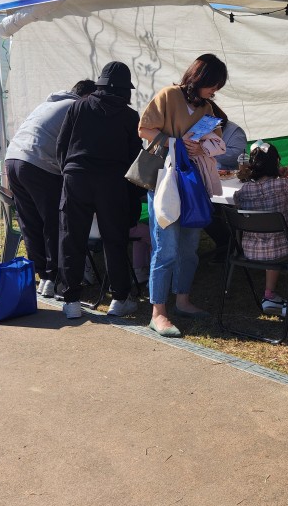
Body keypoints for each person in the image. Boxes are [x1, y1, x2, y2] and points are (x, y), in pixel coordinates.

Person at [138, 53, 228, 337]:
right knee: (166, 248)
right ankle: (158, 312)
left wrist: (203, 148)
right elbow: (144, 129)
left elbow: (216, 140)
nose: (215, 91)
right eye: (213, 84)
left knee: (189, 246)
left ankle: (183, 300)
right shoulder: (168, 96)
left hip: (194, 184)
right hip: (165, 182)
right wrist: (176, 144)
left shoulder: (209, 108)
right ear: (199, 78)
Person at [57, 62, 142, 319]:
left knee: (72, 238)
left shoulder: (78, 106)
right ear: (125, 90)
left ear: (100, 85)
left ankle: (71, 301)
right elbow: (134, 158)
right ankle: (118, 299)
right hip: (112, 182)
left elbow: (62, 146)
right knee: (114, 240)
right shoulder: (129, 116)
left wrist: (69, 173)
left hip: (76, 177)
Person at [5, 80, 96, 297]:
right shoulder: (76, 108)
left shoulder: (49, 103)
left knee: (30, 222)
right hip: (39, 164)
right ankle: (54, 276)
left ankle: (44, 277)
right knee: (53, 222)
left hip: (13, 160)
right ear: (87, 97)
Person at [232, 141, 288, 320]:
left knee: (270, 242)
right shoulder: (282, 186)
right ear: (276, 163)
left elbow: (237, 200)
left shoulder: (242, 191)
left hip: (250, 251)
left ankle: (269, 295)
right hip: (283, 250)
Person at [204, 119, 248, 261]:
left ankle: (231, 244)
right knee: (204, 210)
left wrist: (209, 150)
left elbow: (237, 155)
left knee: (221, 208)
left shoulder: (234, 131)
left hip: (234, 182)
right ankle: (226, 242)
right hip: (210, 181)